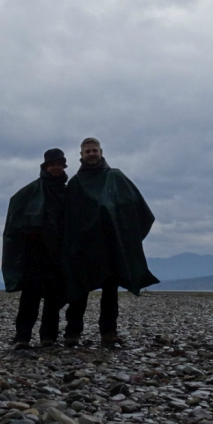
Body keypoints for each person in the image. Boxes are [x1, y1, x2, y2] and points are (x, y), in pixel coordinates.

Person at [62, 137, 158, 347]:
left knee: (110, 292)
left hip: (110, 245)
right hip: (84, 247)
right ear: (81, 155)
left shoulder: (114, 177)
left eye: (94, 150)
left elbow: (135, 206)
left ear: (101, 152)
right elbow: (68, 216)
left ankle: (108, 332)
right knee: (79, 290)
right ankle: (72, 332)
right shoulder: (75, 183)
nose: (91, 154)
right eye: (87, 151)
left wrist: (126, 236)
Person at [1, 148, 69, 349]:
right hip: (34, 251)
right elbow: (14, 212)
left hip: (58, 251)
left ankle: (48, 337)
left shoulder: (68, 193)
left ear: (64, 166)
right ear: (45, 167)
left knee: (53, 295)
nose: (56, 168)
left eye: (59, 164)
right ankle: (22, 337)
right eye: (52, 164)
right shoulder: (31, 191)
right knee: (30, 294)